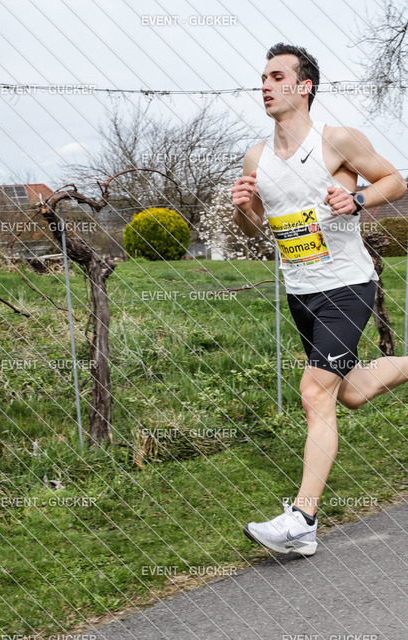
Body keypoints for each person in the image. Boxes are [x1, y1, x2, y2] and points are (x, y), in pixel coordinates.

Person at [232, 42, 407, 556]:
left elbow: (394, 180)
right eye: (263, 78)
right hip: (301, 292)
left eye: (276, 76)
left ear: (303, 86)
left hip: (347, 285)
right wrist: (244, 208)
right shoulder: (256, 157)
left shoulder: (336, 140)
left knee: (313, 392)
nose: (265, 85)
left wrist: (357, 198)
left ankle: (302, 520)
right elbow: (255, 230)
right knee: (348, 392)